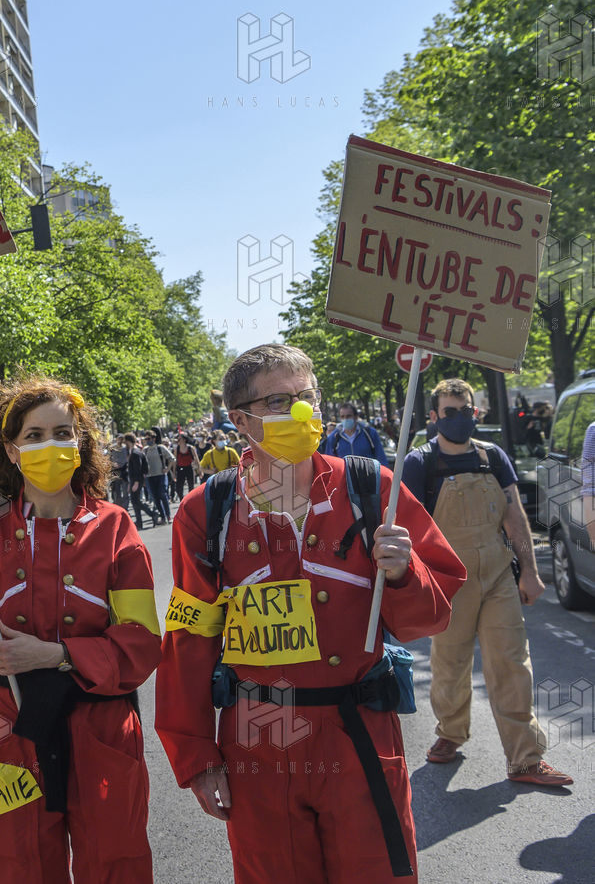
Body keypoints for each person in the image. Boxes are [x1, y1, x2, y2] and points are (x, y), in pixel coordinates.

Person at [155, 344, 466, 884]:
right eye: (279, 401)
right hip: (255, 742)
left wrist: (404, 572)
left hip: (359, 735)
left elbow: (432, 616)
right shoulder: (206, 511)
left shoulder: (373, 488)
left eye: (308, 396)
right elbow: (189, 638)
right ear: (240, 421)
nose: (301, 411)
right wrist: (197, 757)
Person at [0, 377, 161, 883]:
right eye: (34, 436)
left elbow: (142, 643)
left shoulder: (116, 527)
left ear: (80, 443)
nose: (49, 445)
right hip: (9, 727)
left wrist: (57, 655)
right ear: (11, 450)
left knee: (116, 864)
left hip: (102, 728)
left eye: (62, 432)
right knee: (18, 866)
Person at [401, 378, 572, 786]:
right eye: (450, 412)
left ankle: (525, 759)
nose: (460, 418)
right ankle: (450, 733)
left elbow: (514, 517)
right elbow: (408, 527)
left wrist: (529, 571)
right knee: (450, 663)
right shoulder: (419, 463)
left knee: (511, 663)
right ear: (433, 417)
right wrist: (414, 585)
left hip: (497, 577)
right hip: (449, 582)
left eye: (466, 411)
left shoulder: (492, 457)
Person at [321, 402, 388, 463]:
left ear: (356, 417)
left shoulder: (370, 433)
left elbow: (381, 457)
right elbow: (329, 462)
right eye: (342, 417)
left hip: (368, 472)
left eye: (348, 416)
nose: (345, 419)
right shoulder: (334, 437)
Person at [141, 432, 175, 524]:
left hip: (161, 475)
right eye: (146, 439)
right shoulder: (145, 450)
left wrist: (167, 469)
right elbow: (142, 463)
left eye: (149, 439)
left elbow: (172, 459)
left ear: (154, 438)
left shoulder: (161, 448)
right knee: (155, 498)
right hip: (149, 477)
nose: (147, 441)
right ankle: (162, 516)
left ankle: (168, 516)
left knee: (162, 495)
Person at [172, 433, 198, 501]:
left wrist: (199, 470)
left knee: (191, 487)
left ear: (184, 440)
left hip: (189, 468)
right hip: (180, 469)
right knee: (178, 488)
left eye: (179, 439)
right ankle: (182, 500)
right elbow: (175, 461)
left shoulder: (190, 448)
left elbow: (196, 458)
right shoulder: (177, 449)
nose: (178, 441)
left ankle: (190, 501)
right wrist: (174, 472)